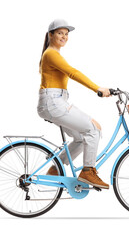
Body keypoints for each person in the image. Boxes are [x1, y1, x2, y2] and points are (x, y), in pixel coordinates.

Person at [37, 19, 110, 189]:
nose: (64, 36)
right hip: (53, 103)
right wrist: (97, 88)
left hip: (55, 102)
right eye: (60, 33)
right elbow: (73, 73)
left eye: (66, 34)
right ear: (50, 35)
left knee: (79, 138)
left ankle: (56, 169)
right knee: (94, 129)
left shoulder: (52, 54)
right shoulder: (51, 54)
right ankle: (88, 171)